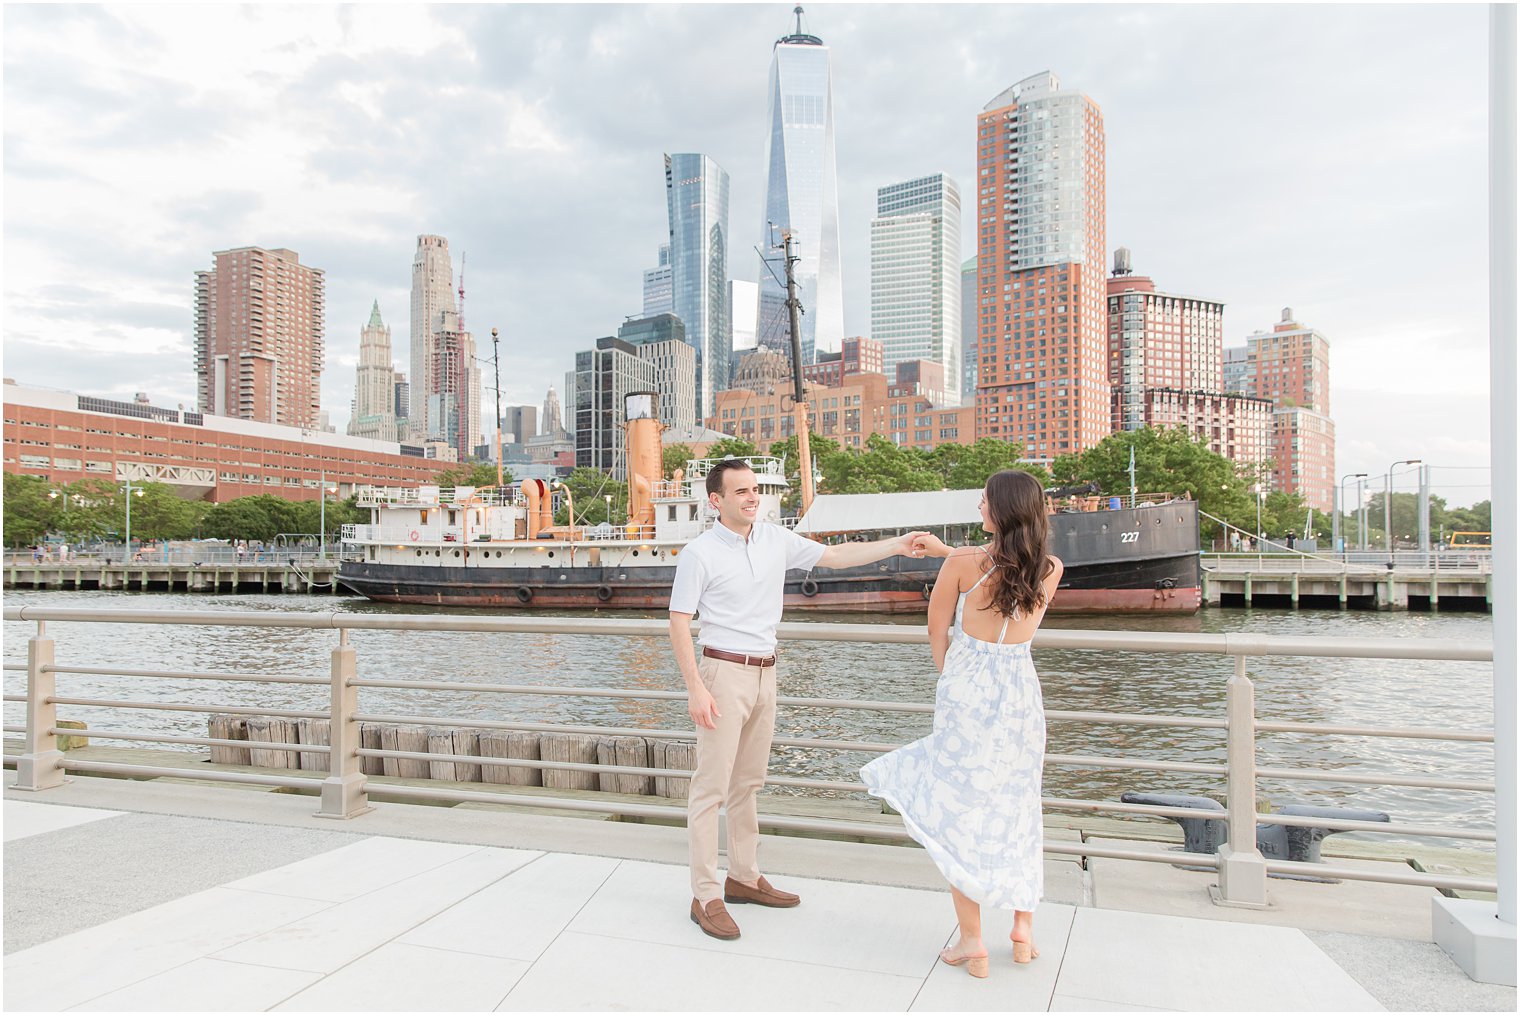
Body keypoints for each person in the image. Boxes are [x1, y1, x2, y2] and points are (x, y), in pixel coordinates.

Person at [669, 458, 928, 941]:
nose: (752, 497)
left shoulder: (773, 539)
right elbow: (679, 621)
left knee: (748, 783)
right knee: (710, 789)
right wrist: (696, 688)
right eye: (741, 491)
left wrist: (897, 544)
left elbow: (835, 557)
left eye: (755, 489)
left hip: (766, 672)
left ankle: (743, 877)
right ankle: (705, 895)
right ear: (716, 501)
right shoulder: (699, 554)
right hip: (722, 672)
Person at [861, 469, 1063, 978]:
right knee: (1019, 806)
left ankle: (972, 941)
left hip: (966, 693)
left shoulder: (960, 563)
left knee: (959, 812)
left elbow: (936, 629)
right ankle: (1022, 929)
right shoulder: (1052, 569)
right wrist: (944, 550)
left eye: (984, 501)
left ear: (1000, 510)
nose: (978, 506)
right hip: (1021, 695)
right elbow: (1003, 571)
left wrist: (952, 678)